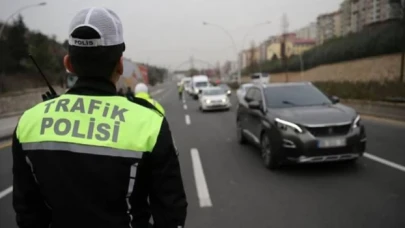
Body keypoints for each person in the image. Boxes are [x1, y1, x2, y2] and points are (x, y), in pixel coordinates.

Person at [12, 7, 187, 228]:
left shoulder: (29, 122)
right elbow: (172, 214)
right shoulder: (150, 123)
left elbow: (28, 214)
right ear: (120, 65)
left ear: (68, 64)